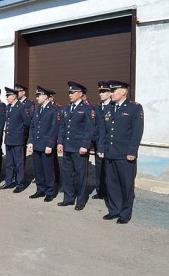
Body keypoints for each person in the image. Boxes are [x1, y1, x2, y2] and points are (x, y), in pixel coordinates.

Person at [99, 80, 144, 224]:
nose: (110, 94)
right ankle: (114, 210)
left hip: (125, 154)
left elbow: (137, 131)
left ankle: (125, 213)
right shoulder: (109, 108)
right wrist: (101, 147)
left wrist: (132, 150)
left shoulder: (134, 108)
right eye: (110, 91)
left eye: (113, 91)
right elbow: (103, 130)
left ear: (123, 92)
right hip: (110, 152)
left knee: (126, 184)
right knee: (112, 183)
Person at [57, 81, 95, 211]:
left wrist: (85, 145)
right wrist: (60, 142)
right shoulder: (66, 108)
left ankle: (81, 200)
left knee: (80, 175)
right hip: (68, 146)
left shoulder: (87, 109)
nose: (70, 95)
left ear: (80, 94)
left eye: (72, 93)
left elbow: (89, 130)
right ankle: (68, 198)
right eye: (69, 92)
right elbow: (62, 127)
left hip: (79, 148)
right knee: (67, 174)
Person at [27, 86, 61, 202]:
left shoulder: (53, 110)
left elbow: (54, 128)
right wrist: (30, 141)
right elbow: (32, 127)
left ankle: (50, 191)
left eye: (38, 95)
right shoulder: (37, 109)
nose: (36, 98)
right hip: (37, 143)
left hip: (46, 145)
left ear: (46, 96)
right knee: (38, 169)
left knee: (48, 170)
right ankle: (40, 189)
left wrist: (50, 144)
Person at [0, 87, 31, 193]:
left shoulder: (21, 107)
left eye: (8, 96)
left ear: (13, 96)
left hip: (17, 139)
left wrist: (21, 133)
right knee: (9, 162)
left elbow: (27, 123)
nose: (6, 98)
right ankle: (8, 181)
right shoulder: (8, 107)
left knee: (19, 163)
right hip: (9, 139)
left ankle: (19, 184)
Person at [91, 81, 111, 199]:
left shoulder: (113, 106)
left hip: (109, 143)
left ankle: (109, 191)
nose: (101, 94)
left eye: (103, 92)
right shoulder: (97, 107)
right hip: (98, 142)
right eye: (100, 92)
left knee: (109, 168)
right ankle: (100, 191)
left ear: (110, 93)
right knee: (99, 167)